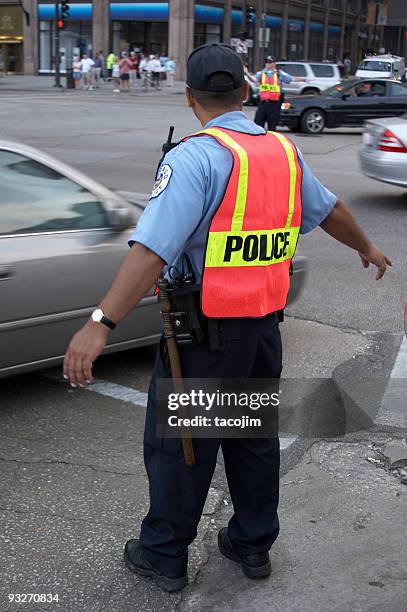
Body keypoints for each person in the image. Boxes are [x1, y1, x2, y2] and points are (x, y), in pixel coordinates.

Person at [63, 43, 391, 593]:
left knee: (182, 450)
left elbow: (150, 251)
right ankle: (251, 544)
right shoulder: (284, 153)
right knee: (251, 442)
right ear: (246, 91)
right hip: (262, 330)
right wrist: (368, 247)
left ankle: (163, 555)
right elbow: (330, 210)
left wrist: (99, 323)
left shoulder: (194, 157)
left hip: (203, 337)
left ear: (190, 97)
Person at [248, 55, 305, 131]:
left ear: (274, 64)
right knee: (257, 125)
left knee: (272, 127)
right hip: (263, 104)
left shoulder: (279, 73)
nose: (268, 64)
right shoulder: (261, 73)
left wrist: (303, 79)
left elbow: (291, 78)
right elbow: (254, 80)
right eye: (266, 62)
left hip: (274, 105)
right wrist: (246, 73)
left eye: (270, 62)